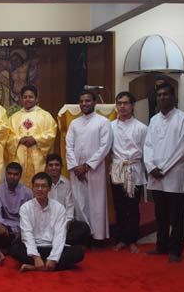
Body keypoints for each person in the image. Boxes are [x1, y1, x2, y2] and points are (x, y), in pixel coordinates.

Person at [144, 82, 184, 263]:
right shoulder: (154, 120)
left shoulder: (183, 119)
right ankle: (161, 246)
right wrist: (151, 167)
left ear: (173, 97)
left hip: (173, 175)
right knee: (160, 214)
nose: (162, 97)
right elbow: (148, 146)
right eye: (159, 95)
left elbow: (183, 149)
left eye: (165, 94)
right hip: (156, 174)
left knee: (176, 216)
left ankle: (176, 250)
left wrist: (163, 168)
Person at [10, 172, 85, 272]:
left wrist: (53, 258)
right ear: (32, 188)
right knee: (14, 249)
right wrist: (36, 257)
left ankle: (35, 267)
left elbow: (60, 235)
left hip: (52, 247)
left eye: (43, 186)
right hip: (34, 247)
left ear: (50, 188)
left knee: (79, 252)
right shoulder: (25, 208)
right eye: (37, 186)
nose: (40, 189)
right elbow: (27, 234)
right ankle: (47, 266)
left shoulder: (59, 208)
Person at [65, 90, 112, 244]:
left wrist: (87, 166)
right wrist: (75, 167)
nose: (84, 104)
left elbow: (105, 147)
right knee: (79, 202)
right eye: (82, 101)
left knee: (96, 203)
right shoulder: (74, 123)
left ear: (94, 102)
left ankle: (97, 237)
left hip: (94, 169)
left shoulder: (103, 122)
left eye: (87, 101)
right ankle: (82, 237)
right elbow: (68, 146)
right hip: (76, 170)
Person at [110, 92, 147, 254]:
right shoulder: (110, 126)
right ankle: (121, 239)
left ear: (132, 106)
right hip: (117, 168)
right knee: (119, 206)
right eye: (119, 103)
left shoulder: (141, 128)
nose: (122, 107)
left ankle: (132, 240)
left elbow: (147, 151)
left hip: (134, 169)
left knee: (132, 207)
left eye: (125, 103)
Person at [7, 85, 57, 187]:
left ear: (36, 99)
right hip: (20, 157)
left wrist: (35, 139)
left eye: (30, 97)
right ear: (21, 99)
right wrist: (19, 139)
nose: (28, 99)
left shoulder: (45, 116)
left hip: (38, 157)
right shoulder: (14, 118)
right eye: (25, 97)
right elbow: (7, 136)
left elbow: (51, 134)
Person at [45, 154, 91, 246]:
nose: (54, 168)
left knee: (84, 227)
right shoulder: (43, 183)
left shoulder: (67, 184)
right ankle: (61, 244)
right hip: (46, 222)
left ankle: (56, 243)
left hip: (63, 223)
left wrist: (66, 226)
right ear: (46, 167)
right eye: (51, 165)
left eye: (57, 165)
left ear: (61, 167)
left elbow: (70, 208)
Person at [0, 162, 33, 247]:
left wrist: (21, 232)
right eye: (9, 174)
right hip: (5, 227)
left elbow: (29, 217)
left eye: (15, 174)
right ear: (6, 174)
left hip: (21, 227)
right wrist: (0, 224)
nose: (12, 177)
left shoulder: (28, 192)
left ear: (20, 176)